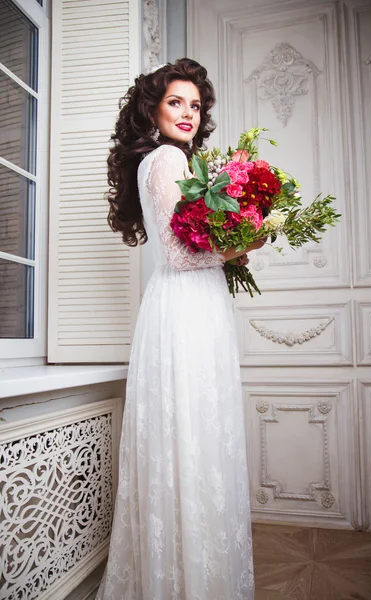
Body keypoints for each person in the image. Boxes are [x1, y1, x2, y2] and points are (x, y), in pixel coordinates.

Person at [96, 58, 264, 600]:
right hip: (185, 308)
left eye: (195, 105)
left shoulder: (169, 161)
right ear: (153, 107)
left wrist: (232, 240)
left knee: (192, 436)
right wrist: (248, 242)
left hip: (187, 307)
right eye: (176, 102)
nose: (188, 113)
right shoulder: (167, 159)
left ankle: (188, 572)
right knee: (193, 434)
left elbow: (192, 249)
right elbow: (183, 255)